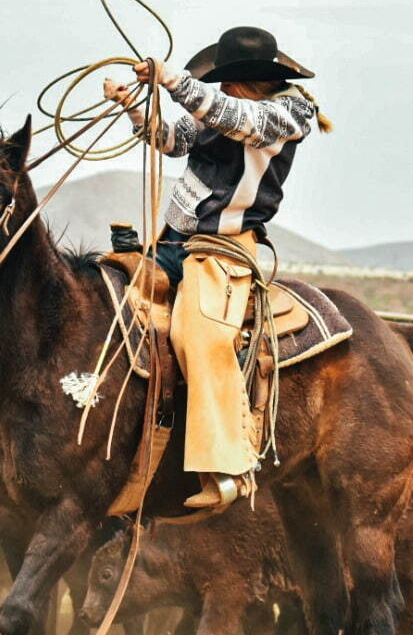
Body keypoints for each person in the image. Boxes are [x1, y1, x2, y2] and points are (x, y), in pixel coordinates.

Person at [103, 26, 331, 511]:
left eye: (228, 81)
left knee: (199, 336)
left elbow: (233, 117)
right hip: (174, 243)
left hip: (223, 251)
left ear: (246, 80)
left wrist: (171, 81)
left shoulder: (286, 115)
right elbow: (172, 139)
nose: (222, 88)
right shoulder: (224, 107)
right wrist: (131, 106)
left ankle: (229, 467)